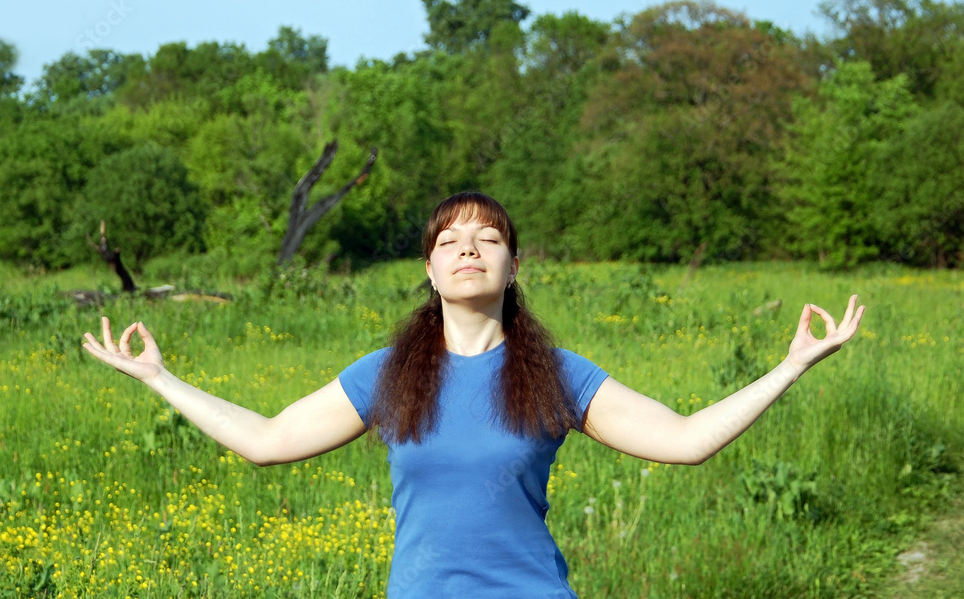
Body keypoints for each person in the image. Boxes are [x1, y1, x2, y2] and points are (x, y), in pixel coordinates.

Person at [82, 191, 865, 598]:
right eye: (448, 241)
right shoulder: (385, 375)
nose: (467, 249)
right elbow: (266, 442)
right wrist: (161, 378)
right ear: (429, 270)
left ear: (512, 266)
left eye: (487, 238)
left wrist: (792, 364)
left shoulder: (557, 375)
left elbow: (688, 441)